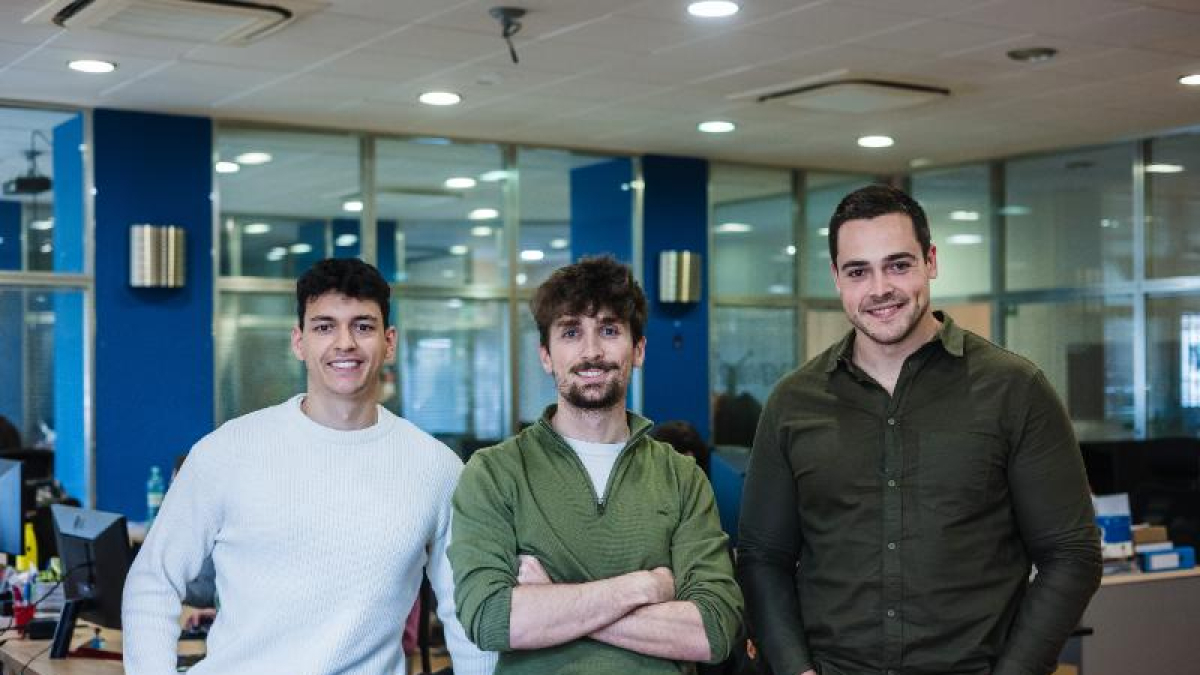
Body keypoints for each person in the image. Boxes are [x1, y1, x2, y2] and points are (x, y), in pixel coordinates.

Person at [738, 185, 1102, 675]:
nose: (879, 288)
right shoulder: (792, 403)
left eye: (898, 264)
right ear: (836, 279)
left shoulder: (1015, 390)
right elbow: (763, 559)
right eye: (858, 271)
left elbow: (1071, 554)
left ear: (931, 261)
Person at [122, 258, 496, 675]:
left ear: (389, 342)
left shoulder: (436, 467)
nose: (345, 343)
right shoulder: (227, 451)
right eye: (324, 326)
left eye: (363, 326)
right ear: (299, 341)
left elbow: (467, 610)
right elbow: (152, 581)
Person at [449, 255, 743, 674]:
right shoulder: (494, 473)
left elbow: (714, 631)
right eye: (571, 332)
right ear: (546, 355)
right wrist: (646, 586)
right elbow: (490, 618)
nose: (591, 352)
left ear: (638, 349)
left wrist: (555, 602)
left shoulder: (681, 477)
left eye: (609, 330)